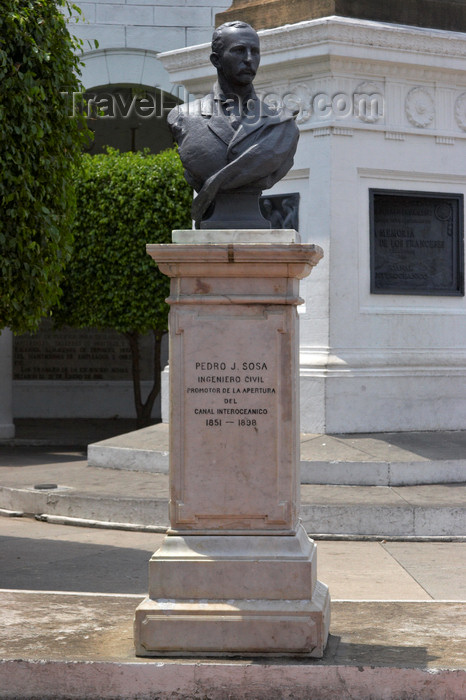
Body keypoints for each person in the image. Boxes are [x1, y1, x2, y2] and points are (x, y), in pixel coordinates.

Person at [167, 21, 299, 228]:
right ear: (216, 60)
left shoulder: (282, 124)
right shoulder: (183, 117)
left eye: (255, 52)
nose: (249, 59)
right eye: (239, 51)